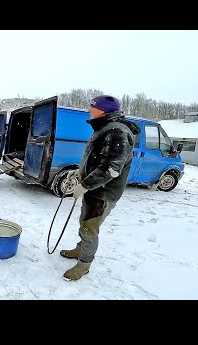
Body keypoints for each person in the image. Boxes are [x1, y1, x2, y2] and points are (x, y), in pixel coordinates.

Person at [60, 95, 140, 281]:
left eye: (92, 106)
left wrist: (85, 184)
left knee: (89, 228)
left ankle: (84, 265)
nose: (89, 109)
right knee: (85, 222)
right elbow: (97, 160)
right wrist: (79, 173)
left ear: (103, 110)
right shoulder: (105, 128)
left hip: (103, 193)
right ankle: (81, 249)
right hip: (94, 189)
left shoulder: (116, 132)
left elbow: (111, 168)